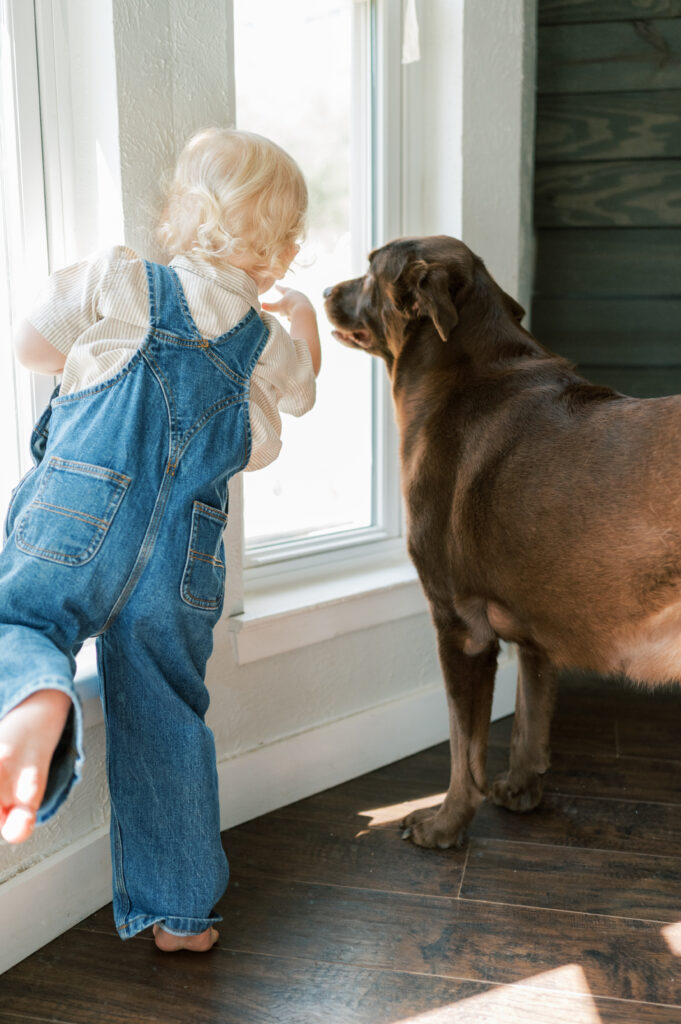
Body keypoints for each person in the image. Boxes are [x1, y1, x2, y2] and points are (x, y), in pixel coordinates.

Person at [0, 127, 320, 953]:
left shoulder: (123, 279)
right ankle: (181, 916)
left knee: (21, 622)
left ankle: (34, 694)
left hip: (80, 517)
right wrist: (306, 322)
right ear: (280, 254)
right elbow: (304, 396)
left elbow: (30, 344)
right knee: (166, 713)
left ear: (180, 213)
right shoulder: (265, 346)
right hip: (182, 559)